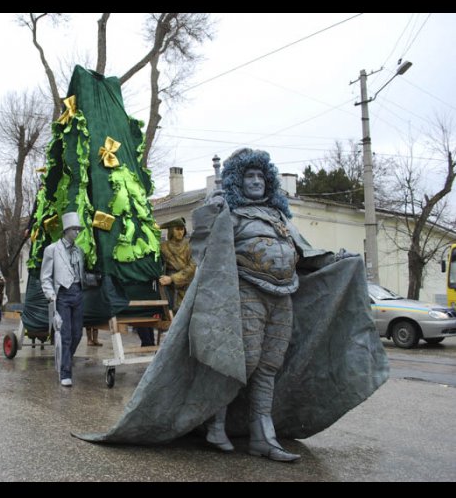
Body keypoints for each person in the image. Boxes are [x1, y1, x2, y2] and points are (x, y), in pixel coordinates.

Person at [76, 148, 389, 462]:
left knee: (269, 366)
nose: (256, 182)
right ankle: (215, 423)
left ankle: (262, 436)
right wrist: (212, 211)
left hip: (282, 297)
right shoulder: (230, 212)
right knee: (242, 362)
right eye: (249, 176)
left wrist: (338, 260)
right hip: (245, 294)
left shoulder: (279, 217)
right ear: (239, 180)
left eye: (260, 176)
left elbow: (304, 253)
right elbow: (204, 246)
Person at [40, 212, 87, 387]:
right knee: (65, 335)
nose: (77, 232)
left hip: (78, 293)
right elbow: (45, 276)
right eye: (74, 229)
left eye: (78, 229)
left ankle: (65, 359)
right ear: (66, 230)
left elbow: (81, 273)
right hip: (62, 295)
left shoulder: (79, 251)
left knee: (77, 333)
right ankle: (65, 372)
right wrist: (51, 295)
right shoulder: (52, 249)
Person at [134, 217, 197, 347]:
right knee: (166, 319)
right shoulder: (162, 247)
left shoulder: (190, 246)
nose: (180, 232)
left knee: (187, 321)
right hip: (167, 289)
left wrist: (173, 279)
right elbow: (156, 265)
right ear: (171, 231)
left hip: (186, 287)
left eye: (182, 229)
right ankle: (154, 346)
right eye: (177, 229)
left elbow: (192, 267)